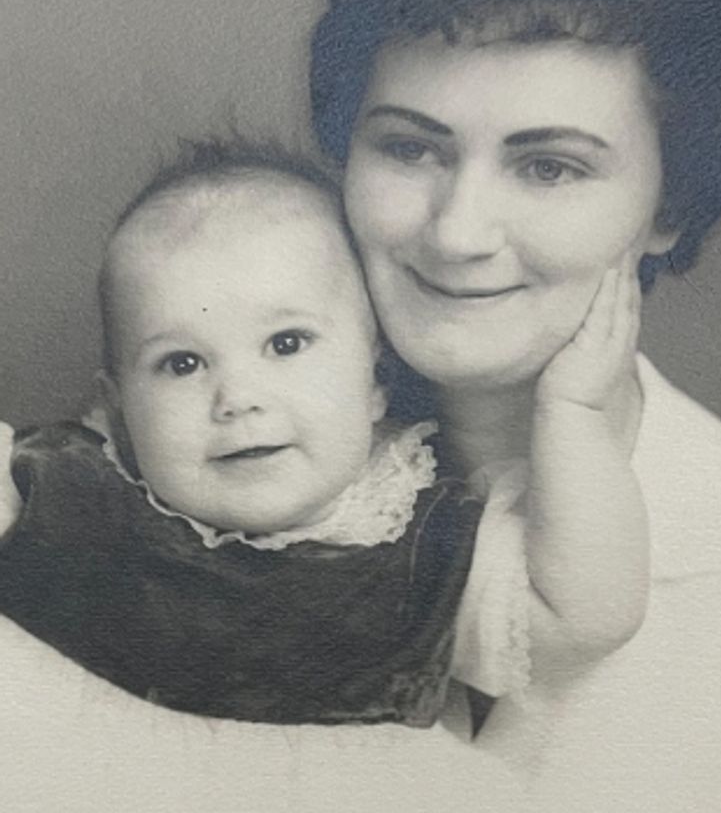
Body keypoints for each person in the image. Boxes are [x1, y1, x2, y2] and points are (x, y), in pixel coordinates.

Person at [310, 0, 721, 810]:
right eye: (409, 148)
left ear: (668, 205)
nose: (457, 232)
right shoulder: (212, 453)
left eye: (548, 167)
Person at [0, 134, 645, 731]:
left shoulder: (423, 551)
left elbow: (583, 621)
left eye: (286, 344)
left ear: (376, 378)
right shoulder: (65, 492)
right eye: (183, 363)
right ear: (119, 409)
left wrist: (576, 414)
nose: (238, 399)